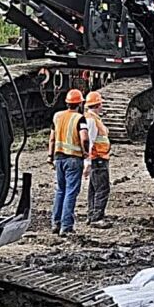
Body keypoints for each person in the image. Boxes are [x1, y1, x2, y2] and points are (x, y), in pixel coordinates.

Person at [48, 89, 88, 236]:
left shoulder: (57, 116)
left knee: (60, 190)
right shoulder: (80, 118)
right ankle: (66, 226)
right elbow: (84, 137)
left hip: (59, 158)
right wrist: (86, 152)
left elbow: (52, 138)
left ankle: (55, 223)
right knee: (71, 192)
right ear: (79, 103)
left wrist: (49, 156)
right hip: (73, 159)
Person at [83, 90, 112, 226]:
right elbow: (90, 141)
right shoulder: (91, 120)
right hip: (98, 158)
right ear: (97, 104)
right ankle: (97, 217)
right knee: (102, 187)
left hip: (98, 158)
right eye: (101, 104)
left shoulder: (93, 118)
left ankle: (92, 214)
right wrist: (87, 162)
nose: (102, 106)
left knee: (94, 188)